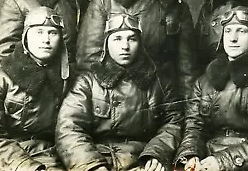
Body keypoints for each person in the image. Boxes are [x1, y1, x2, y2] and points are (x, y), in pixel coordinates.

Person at [56, 14, 182, 171]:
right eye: (117, 39)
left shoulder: (160, 81)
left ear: (140, 43)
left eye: (132, 39)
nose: (125, 46)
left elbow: (173, 122)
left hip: (142, 160)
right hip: (100, 159)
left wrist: (157, 153)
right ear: (106, 43)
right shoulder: (88, 81)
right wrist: (91, 165)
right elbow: (69, 127)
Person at [175, 6, 248, 171]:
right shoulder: (204, 82)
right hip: (207, 160)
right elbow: (194, 126)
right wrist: (191, 155)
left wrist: (224, 161)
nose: (233, 38)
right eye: (228, 31)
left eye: (242, 31)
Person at [0, 7, 69, 170]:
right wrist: (27, 166)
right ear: (25, 37)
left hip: (58, 158)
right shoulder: (0, 80)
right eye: (39, 32)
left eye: (52, 33)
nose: (46, 40)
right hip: (13, 160)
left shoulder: (69, 78)